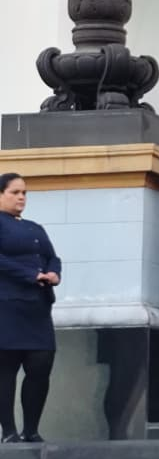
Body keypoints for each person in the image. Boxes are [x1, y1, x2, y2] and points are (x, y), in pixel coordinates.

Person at [0, 174, 61, 444]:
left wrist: (53, 273)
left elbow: (52, 257)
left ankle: (31, 429)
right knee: (5, 371)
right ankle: (9, 431)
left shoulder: (35, 228)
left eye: (24, 192)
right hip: (8, 307)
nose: (22, 197)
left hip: (37, 309)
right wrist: (30, 275)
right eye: (15, 192)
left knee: (40, 365)